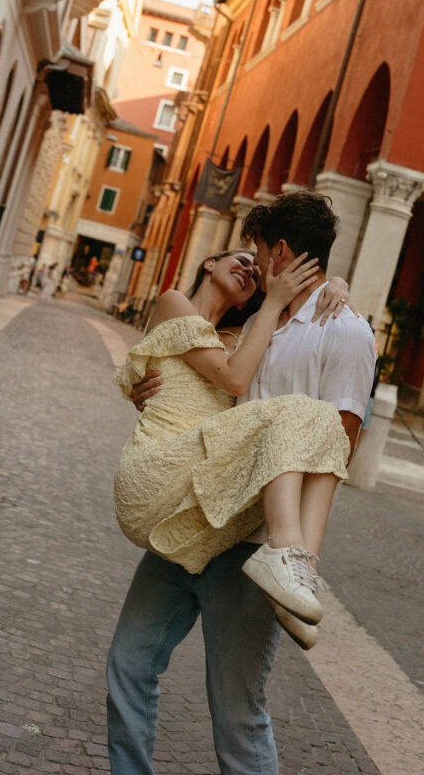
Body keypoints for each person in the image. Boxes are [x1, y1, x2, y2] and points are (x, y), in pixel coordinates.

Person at [106, 191, 375, 775]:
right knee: (128, 666)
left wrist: (302, 551)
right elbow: (184, 369)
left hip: (252, 547)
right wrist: (145, 390)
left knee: (236, 713)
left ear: (279, 251)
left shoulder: (346, 331)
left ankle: (290, 559)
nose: (251, 267)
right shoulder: (249, 322)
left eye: (257, 252)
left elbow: (340, 443)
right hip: (191, 510)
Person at [112, 248, 349, 618]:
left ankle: (300, 578)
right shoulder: (174, 303)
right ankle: (285, 555)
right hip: (154, 471)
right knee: (303, 409)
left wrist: (336, 284)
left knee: (327, 422)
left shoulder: (245, 335)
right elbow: (235, 379)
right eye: (242, 261)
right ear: (210, 262)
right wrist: (273, 301)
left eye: (256, 275)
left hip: (199, 482)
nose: (250, 271)